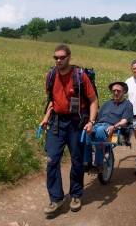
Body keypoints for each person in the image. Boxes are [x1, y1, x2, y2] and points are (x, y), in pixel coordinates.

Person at [39, 44, 98, 214]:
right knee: (52, 160)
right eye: (56, 57)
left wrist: (91, 122)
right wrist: (45, 118)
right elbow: (52, 100)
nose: (58, 60)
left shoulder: (80, 76)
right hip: (57, 123)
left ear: (69, 58)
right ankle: (56, 199)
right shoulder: (51, 76)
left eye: (62, 57)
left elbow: (93, 100)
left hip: (76, 124)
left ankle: (76, 195)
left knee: (77, 160)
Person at [84, 81, 133, 172]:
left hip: (112, 127)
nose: (116, 92)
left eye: (118, 91)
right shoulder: (107, 103)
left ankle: (99, 164)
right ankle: (87, 162)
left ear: (124, 92)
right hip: (99, 125)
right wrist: (90, 124)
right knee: (86, 132)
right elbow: (97, 118)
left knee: (100, 130)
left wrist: (114, 127)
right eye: (114, 91)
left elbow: (124, 121)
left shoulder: (127, 105)